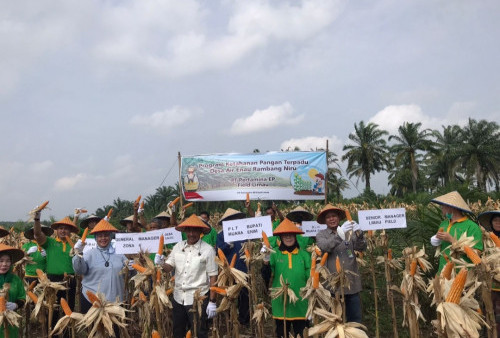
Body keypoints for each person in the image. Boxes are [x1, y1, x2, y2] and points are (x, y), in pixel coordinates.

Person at [154, 214, 218, 338]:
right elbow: (169, 268)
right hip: (178, 298)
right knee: (178, 332)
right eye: (189, 230)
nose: (192, 234)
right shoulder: (178, 247)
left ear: (201, 232)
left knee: (199, 333)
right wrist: (161, 263)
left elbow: (213, 276)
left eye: (195, 230)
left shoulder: (208, 250)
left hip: (198, 299)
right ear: (185, 231)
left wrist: (212, 301)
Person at [315, 204, 366, 323]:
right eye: (328, 217)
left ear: (339, 218)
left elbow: (361, 247)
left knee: (355, 320)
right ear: (325, 221)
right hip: (332, 286)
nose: (332, 219)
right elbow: (325, 247)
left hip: (351, 284)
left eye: (334, 216)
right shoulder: (321, 235)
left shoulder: (350, 233)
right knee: (334, 321)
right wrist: (340, 234)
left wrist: (359, 234)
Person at [261, 218, 310, 338]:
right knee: (282, 333)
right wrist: (265, 261)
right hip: (281, 301)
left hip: (301, 300)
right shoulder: (274, 253)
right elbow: (266, 275)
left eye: (291, 235)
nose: (288, 238)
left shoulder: (304, 254)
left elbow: (311, 277)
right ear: (281, 238)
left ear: (295, 236)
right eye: (285, 235)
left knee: (301, 333)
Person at [33, 213, 79, 320]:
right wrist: (37, 219)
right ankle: (54, 332)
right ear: (56, 231)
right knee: (52, 308)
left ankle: (67, 333)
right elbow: (37, 234)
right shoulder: (50, 242)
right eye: (61, 228)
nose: (63, 231)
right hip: (52, 280)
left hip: (70, 280)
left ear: (70, 231)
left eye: (66, 229)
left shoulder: (75, 245)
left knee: (69, 309)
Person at [429, 191, 483, 273]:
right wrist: (436, 242)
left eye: (443, 206)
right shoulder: (444, 223)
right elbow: (442, 248)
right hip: (442, 272)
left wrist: (452, 240)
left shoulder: (472, 227)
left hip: (462, 274)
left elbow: (476, 254)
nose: (442, 209)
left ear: (451, 207)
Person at [216, 208, 249, 326]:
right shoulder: (221, 235)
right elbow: (218, 251)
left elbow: (251, 244)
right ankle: (230, 319)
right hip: (229, 270)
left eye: (235, 218)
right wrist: (227, 245)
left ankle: (244, 319)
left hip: (244, 269)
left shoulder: (244, 231)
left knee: (244, 295)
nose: (233, 221)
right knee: (229, 294)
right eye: (230, 219)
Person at [478, 209, 500, 336]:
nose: (498, 223)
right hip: (490, 282)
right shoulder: (485, 239)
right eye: (496, 220)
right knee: (490, 310)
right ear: (491, 223)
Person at [0, 244, 26, 338]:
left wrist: (16, 304)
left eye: (8, 261)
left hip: (11, 320)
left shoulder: (16, 279)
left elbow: (22, 297)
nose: (4, 264)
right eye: (1, 261)